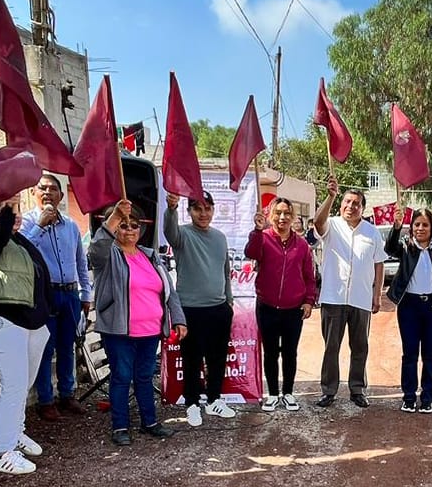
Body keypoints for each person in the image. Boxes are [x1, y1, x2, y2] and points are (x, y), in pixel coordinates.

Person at [90, 200, 186, 445]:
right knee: (121, 376)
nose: (129, 229)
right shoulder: (108, 256)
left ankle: (150, 422)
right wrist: (115, 216)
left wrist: (178, 319)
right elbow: (97, 247)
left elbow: (169, 292)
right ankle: (120, 426)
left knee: (144, 377)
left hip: (151, 330)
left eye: (134, 225)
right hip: (119, 330)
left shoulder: (151, 255)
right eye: (123, 225)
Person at [0, 196, 51, 475]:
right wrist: (2, 218)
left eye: (16, 209)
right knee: (13, 386)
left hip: (30, 323)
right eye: (9, 210)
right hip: (4, 321)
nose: (16, 215)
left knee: (23, 385)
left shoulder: (18, 241)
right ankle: (2, 451)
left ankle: (16, 432)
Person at [20, 175, 93, 421]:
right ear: (34, 192)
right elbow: (23, 253)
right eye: (43, 188)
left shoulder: (71, 226)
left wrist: (86, 292)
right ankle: (45, 399)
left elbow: (80, 262)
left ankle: (67, 395)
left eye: (53, 189)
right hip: (45, 294)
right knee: (44, 348)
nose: (48, 193)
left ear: (61, 196)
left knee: (67, 346)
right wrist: (41, 225)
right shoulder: (27, 223)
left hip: (70, 293)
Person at [312, 177, 387, 408]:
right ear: (341, 204)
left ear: (362, 208)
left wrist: (376, 296)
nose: (350, 206)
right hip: (333, 298)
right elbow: (317, 222)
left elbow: (379, 264)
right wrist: (331, 196)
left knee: (360, 347)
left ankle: (357, 389)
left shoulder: (372, 232)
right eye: (346, 201)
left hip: (361, 299)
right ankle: (329, 390)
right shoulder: (332, 225)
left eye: (356, 203)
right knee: (331, 347)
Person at [164, 190, 235, 427]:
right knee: (192, 360)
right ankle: (192, 404)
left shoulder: (220, 237)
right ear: (189, 211)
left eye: (207, 208)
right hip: (190, 309)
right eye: (197, 208)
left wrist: (228, 301)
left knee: (217, 360)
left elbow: (225, 272)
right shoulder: (182, 234)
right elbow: (169, 233)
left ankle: (214, 400)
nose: (203, 213)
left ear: (213, 210)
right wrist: (171, 209)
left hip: (218, 309)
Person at [244, 198, 317, 412]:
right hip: (267, 306)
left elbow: (309, 276)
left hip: (293, 308)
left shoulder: (302, 245)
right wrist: (257, 231)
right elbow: (251, 253)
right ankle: (273, 394)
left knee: (290, 352)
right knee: (270, 352)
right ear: (270, 215)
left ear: (293, 217)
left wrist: (308, 301)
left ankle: (288, 393)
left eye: (286, 213)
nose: (282, 217)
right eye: (278, 213)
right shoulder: (263, 238)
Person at [385, 206, 432, 413]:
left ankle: (427, 397)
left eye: (425, 224)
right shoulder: (406, 247)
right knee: (410, 354)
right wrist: (396, 228)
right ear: (411, 227)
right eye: (417, 224)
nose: (420, 228)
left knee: (430, 355)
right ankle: (408, 397)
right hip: (409, 307)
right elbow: (389, 248)